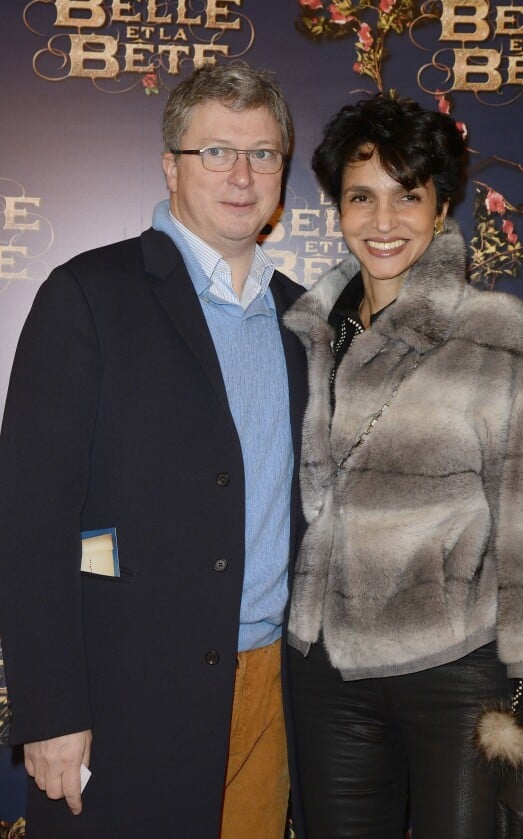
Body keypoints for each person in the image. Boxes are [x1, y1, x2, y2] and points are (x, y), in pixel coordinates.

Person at [0, 62, 307, 839]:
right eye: (216, 151)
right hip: (122, 699)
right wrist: (50, 711)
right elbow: (30, 520)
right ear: (170, 165)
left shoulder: (307, 319)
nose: (241, 174)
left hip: (277, 697)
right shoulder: (88, 295)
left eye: (263, 153)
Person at [283, 92, 523, 838]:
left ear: (442, 203)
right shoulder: (308, 334)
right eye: (362, 197)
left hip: (456, 675)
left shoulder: (496, 332)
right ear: (338, 207)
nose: (383, 221)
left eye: (407, 196)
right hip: (325, 674)